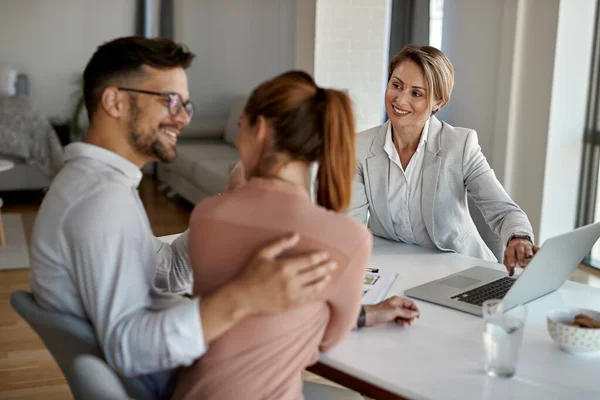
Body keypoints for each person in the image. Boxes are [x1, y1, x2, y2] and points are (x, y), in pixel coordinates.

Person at [27, 37, 417, 400]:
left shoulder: (96, 188)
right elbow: (130, 349)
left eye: (185, 105)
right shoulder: (99, 203)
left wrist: (228, 206)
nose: (182, 119)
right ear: (114, 102)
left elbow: (157, 269)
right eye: (170, 101)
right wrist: (243, 296)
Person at [171, 71, 419, 400]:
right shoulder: (348, 238)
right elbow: (325, 340)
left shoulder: (205, 216)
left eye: (241, 125)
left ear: (258, 131)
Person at [348, 45, 538, 276]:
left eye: (416, 93)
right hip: (392, 271)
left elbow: (503, 211)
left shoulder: (460, 146)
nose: (400, 99)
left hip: (461, 271)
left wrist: (519, 238)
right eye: (396, 85)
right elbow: (351, 230)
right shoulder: (359, 147)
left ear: (438, 102)